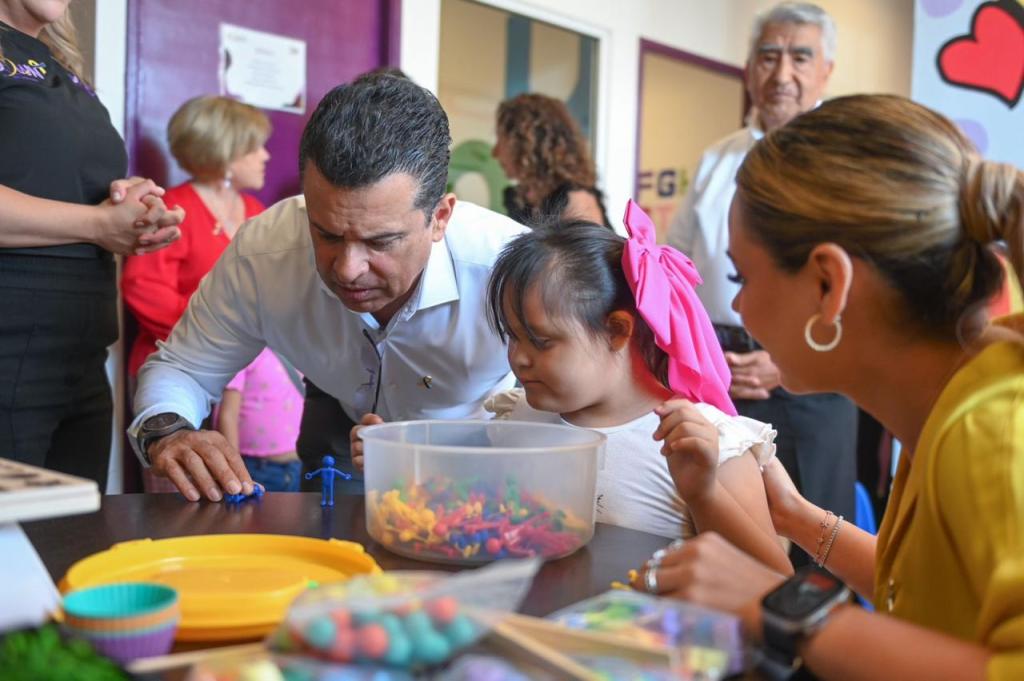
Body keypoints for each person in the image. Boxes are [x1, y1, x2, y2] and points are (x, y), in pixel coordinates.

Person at [633, 94, 1024, 680]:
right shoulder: (951, 405)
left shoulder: (994, 432)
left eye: (743, 276)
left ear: (827, 285)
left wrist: (782, 607)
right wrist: (793, 515)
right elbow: (920, 592)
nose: (736, 305)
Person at [129, 74, 527, 502]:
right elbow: (185, 367)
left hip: (484, 448)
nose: (348, 270)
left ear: (441, 217)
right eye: (327, 235)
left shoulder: (509, 269)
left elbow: (588, 397)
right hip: (341, 418)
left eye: (380, 242)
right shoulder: (264, 253)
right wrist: (168, 431)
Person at [479, 206, 791, 574]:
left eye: (541, 341)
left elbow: (773, 579)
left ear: (617, 331)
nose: (519, 359)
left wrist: (705, 493)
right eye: (512, 337)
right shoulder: (519, 417)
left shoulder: (702, 443)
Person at [665, 2, 857, 541]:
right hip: (717, 374)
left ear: (826, 71)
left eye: (800, 57)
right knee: (724, 532)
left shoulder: (848, 160)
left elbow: (863, 280)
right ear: (749, 68)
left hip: (818, 373)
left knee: (817, 543)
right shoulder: (715, 160)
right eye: (768, 57)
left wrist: (786, 359)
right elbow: (676, 269)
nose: (782, 73)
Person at [0, 0, 182, 487]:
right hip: (10, 344)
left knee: (73, 543)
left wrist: (132, 205)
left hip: (80, 356)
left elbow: (53, 179)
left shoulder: (63, 71)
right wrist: (97, 224)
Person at [122, 95, 271, 378]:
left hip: (246, 371)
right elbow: (143, 286)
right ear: (225, 152)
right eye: (254, 147)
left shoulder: (257, 212)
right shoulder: (174, 211)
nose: (266, 156)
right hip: (179, 365)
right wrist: (208, 332)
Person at [493, 93, 611, 229]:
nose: (495, 153)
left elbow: (588, 250)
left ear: (525, 144)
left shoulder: (575, 199)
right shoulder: (520, 198)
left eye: (501, 141)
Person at [214, 348, 304, 492]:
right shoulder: (244, 352)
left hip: (298, 466)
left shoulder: (296, 354)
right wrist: (234, 469)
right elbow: (227, 415)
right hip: (255, 468)